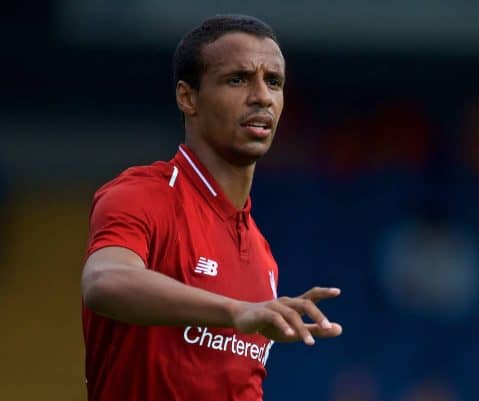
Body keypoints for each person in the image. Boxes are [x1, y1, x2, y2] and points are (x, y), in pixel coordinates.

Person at [81, 14, 342, 401]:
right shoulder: (142, 194)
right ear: (188, 98)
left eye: (274, 82)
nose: (262, 96)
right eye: (238, 79)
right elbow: (104, 283)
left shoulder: (262, 255)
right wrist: (236, 312)